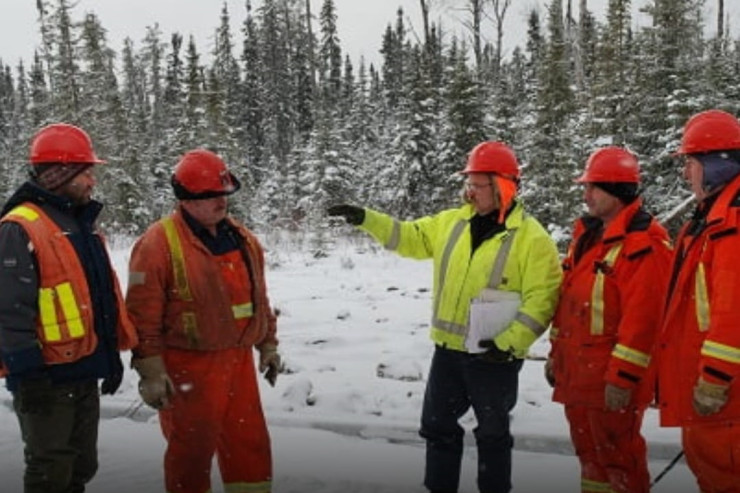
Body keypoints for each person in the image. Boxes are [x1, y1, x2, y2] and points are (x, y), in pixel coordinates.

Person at [327, 141, 562, 493]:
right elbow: (408, 237)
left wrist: (509, 344)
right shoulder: (451, 222)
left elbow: (542, 300)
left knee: (493, 436)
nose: (469, 191)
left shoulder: (533, 238)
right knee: (438, 429)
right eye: (468, 183)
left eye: (478, 184)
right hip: (448, 353)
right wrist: (366, 218)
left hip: (494, 357)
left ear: (504, 187)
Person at [125, 148, 280, 493]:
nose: (221, 202)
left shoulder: (243, 239)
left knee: (248, 444)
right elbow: (141, 313)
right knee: (191, 453)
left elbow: (259, 298)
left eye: (224, 194)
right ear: (187, 199)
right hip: (188, 367)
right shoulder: (157, 243)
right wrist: (150, 370)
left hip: (238, 362)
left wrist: (268, 343)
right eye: (211, 195)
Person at [0, 123, 138, 493]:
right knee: (51, 471)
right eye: (86, 173)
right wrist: (27, 377)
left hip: (82, 369)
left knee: (81, 465)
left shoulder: (81, 225)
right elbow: (10, 311)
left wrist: (108, 360)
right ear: (58, 174)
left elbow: (98, 300)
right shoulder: (20, 227)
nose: (92, 182)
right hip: (45, 378)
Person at [546, 146, 672, 493]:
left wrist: (623, 378)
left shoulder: (643, 244)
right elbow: (570, 304)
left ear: (617, 191)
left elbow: (644, 321)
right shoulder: (587, 238)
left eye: (592, 188)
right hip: (579, 375)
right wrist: (555, 354)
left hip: (609, 382)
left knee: (620, 462)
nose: (585, 195)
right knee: (590, 459)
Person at [656, 109, 740, 492]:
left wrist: (716, 378)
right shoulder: (709, 221)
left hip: (727, 402)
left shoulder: (732, 225)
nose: (686, 174)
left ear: (717, 164)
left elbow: (732, 309)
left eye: (690, 163)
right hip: (711, 400)